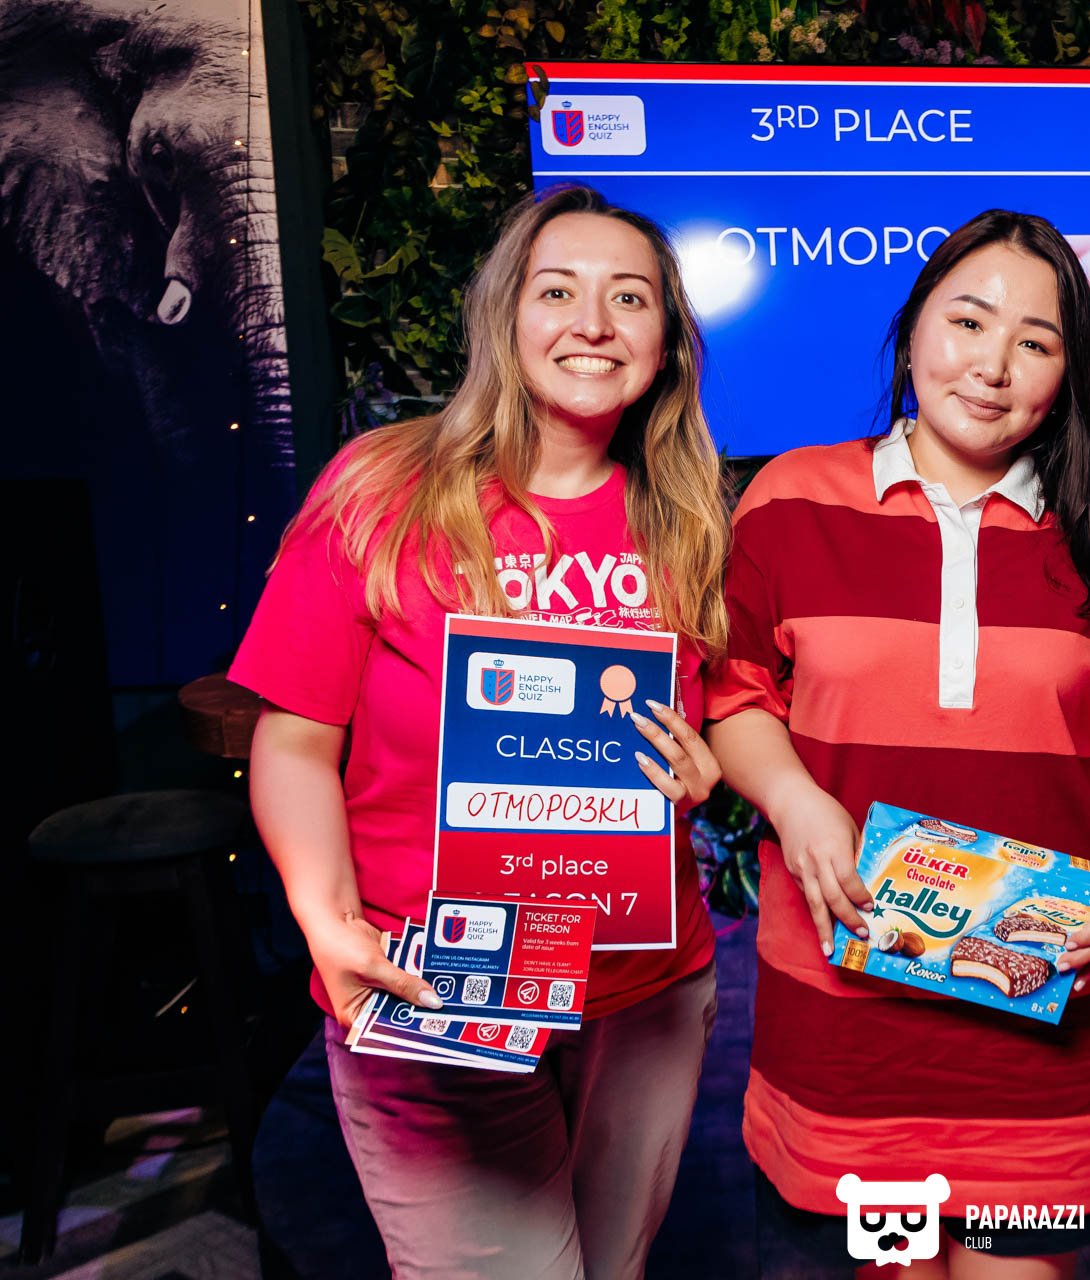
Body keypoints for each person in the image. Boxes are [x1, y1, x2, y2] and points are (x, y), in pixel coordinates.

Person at [232, 184, 730, 1279]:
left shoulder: (687, 519)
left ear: (666, 340)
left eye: (630, 298)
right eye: (557, 291)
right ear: (505, 315)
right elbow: (294, 740)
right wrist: (327, 921)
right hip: (433, 983)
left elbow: (696, 735)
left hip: (643, 988)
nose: (593, 323)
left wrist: (703, 771)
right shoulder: (383, 490)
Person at [704, 208, 1090, 1278]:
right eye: (969, 322)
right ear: (915, 326)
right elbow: (735, 696)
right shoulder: (791, 500)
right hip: (852, 1030)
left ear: (1069, 372)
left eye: (1036, 341)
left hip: (1044, 1026)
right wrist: (794, 799)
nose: (993, 364)